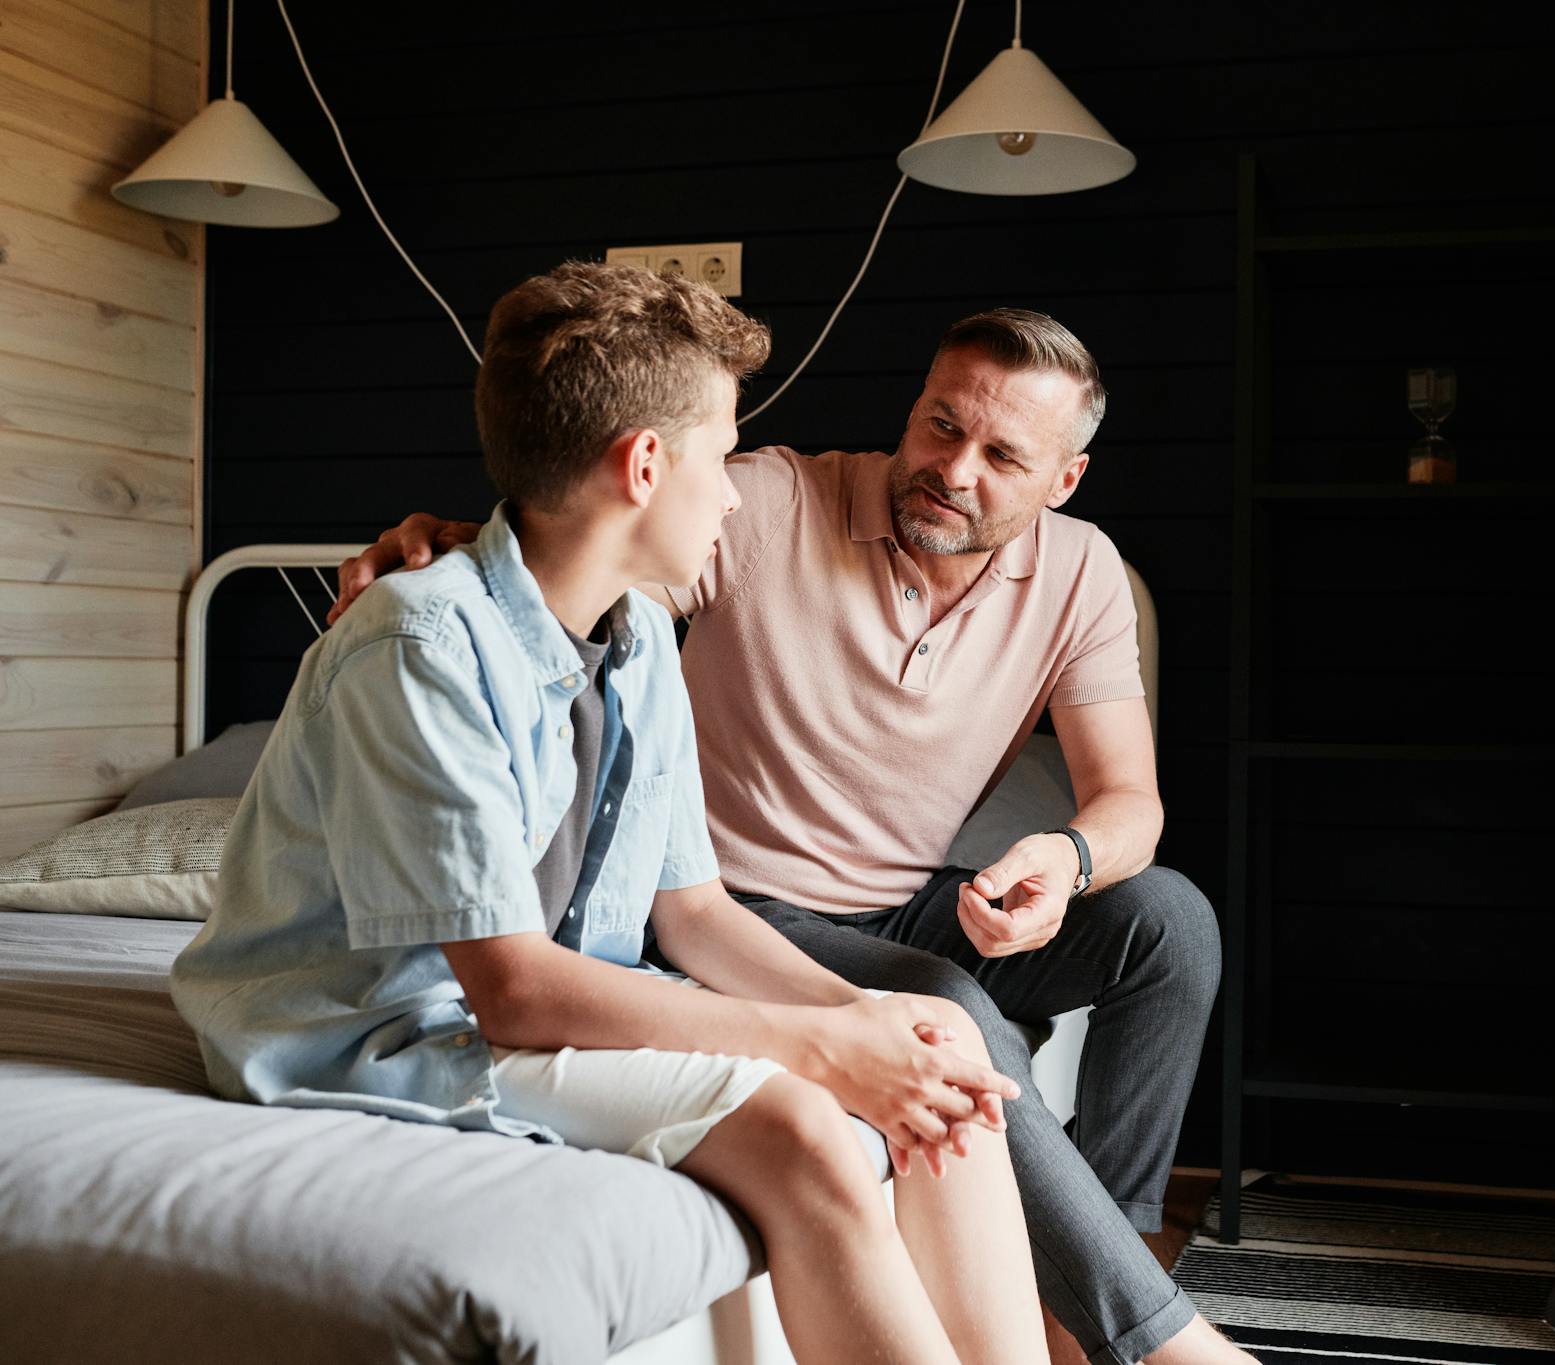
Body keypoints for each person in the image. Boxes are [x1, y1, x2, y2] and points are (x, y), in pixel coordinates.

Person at [174, 263, 1049, 1365]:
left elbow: (690, 913)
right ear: (644, 466)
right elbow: (516, 991)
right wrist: (821, 1050)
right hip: (381, 1033)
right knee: (801, 1129)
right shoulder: (417, 646)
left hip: (545, 1009)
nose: (733, 494)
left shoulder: (638, 639)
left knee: (939, 1034)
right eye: (723, 457)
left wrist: (871, 1026)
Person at [337, 309, 1246, 1364]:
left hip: (902, 901)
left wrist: (1066, 858)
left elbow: (1128, 798)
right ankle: (1144, 1337)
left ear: (1062, 482)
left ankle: (1105, 1273)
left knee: (1169, 923)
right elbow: (585, 565)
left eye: (1000, 455)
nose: (952, 468)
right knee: (942, 1008)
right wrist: (464, 543)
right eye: (938, 426)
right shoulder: (764, 501)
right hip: (740, 905)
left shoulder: (1081, 572)